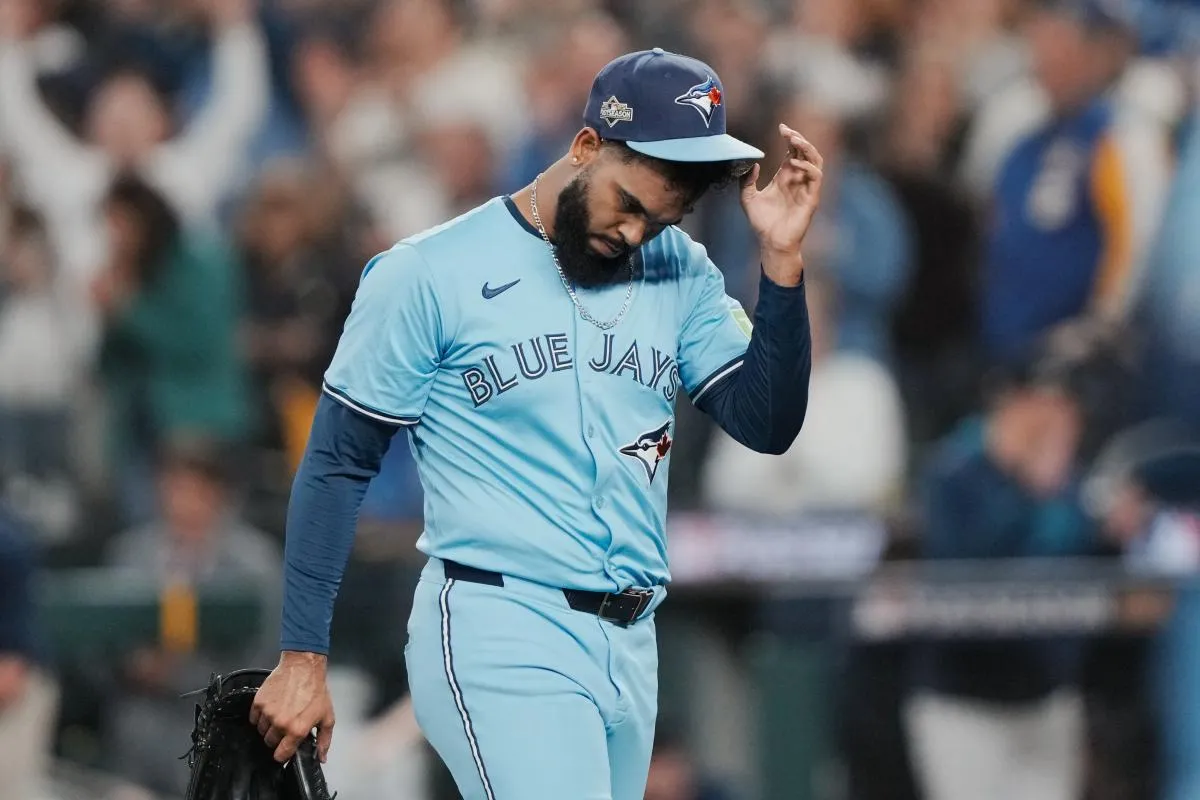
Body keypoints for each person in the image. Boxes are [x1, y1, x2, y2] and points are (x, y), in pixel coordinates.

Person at [251, 48, 820, 800]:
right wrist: (301, 657)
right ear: (585, 147)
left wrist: (781, 262)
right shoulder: (429, 273)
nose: (637, 233)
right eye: (629, 202)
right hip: (501, 620)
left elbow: (767, 420)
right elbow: (336, 462)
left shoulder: (679, 269)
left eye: (662, 217)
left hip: (631, 638)